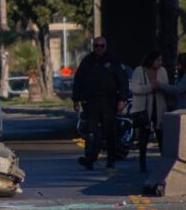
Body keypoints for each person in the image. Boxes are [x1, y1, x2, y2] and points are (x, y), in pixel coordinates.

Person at [72, 36, 128, 171]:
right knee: (91, 132)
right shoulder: (87, 61)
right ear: (93, 46)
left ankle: (111, 159)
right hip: (91, 101)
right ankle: (89, 159)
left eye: (101, 46)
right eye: (96, 46)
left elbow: (122, 80)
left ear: (106, 46)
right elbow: (78, 80)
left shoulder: (113, 61)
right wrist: (76, 99)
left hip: (109, 101)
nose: (99, 48)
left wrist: (122, 99)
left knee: (109, 132)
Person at [130, 50, 168, 173]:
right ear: (151, 60)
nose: (160, 63)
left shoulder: (162, 71)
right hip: (144, 109)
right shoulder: (139, 71)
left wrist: (160, 86)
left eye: (161, 60)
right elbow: (134, 88)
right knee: (143, 137)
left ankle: (165, 163)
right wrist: (150, 88)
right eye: (158, 60)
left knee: (161, 136)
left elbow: (166, 86)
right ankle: (142, 162)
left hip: (159, 107)